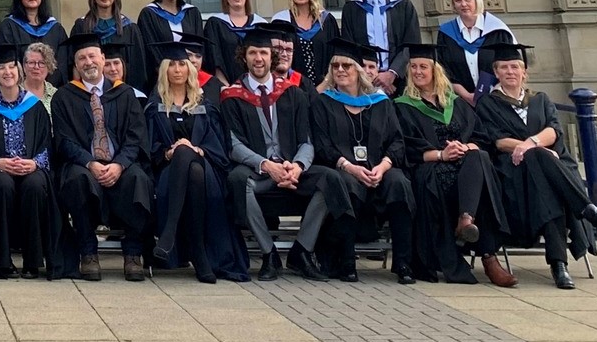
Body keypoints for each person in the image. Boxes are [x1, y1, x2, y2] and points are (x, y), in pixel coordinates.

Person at [475, 42, 597, 289]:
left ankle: (559, 263)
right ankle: (585, 215)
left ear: (524, 72)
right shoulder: (488, 104)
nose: (510, 71)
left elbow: (554, 130)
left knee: (547, 186)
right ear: (496, 72)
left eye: (514, 66)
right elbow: (497, 141)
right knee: (540, 161)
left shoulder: (540, 100)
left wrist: (531, 143)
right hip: (514, 173)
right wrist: (531, 148)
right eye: (503, 67)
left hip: (547, 174)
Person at [220, 26, 348, 282]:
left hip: (292, 170)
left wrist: (298, 166)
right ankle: (269, 254)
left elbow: (307, 140)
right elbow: (233, 145)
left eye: (264, 53)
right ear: (244, 56)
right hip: (260, 173)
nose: (259, 58)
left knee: (331, 179)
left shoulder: (294, 93)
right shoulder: (231, 96)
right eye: (253, 52)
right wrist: (267, 165)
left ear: (272, 57)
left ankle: (302, 250)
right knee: (236, 181)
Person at [396, 44, 516, 287]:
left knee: (479, 158)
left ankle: (467, 221)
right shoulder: (401, 105)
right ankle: (486, 255)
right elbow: (404, 147)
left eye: (423, 67)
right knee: (478, 173)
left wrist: (466, 147)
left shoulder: (456, 103)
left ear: (435, 71)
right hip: (430, 169)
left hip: (465, 167)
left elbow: (481, 138)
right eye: (413, 67)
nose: (417, 72)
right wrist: (442, 154)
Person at [51, 32, 155, 282]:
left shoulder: (125, 93)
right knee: (77, 180)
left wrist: (119, 164)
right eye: (82, 58)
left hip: (120, 162)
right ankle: (88, 253)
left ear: (103, 59)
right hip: (84, 163)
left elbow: (135, 138)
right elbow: (63, 141)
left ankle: (133, 254)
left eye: (92, 56)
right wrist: (90, 162)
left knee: (137, 179)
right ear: (75, 65)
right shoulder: (64, 97)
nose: (88, 62)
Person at [311, 38, 416, 284]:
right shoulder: (324, 102)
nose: (340, 71)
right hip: (344, 168)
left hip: (380, 168)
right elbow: (322, 144)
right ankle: (346, 262)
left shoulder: (380, 103)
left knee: (399, 183)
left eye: (346, 66)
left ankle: (403, 262)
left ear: (358, 71)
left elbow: (397, 141)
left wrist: (383, 166)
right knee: (345, 184)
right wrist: (349, 166)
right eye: (335, 66)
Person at [145, 42, 249, 283]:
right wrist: (168, 154)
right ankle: (200, 256)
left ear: (190, 69)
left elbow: (220, 148)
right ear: (164, 70)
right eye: (172, 65)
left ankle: (169, 233)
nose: (178, 69)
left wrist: (197, 149)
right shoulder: (154, 107)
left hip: (206, 168)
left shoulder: (205, 106)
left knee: (190, 159)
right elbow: (150, 149)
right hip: (170, 174)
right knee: (186, 161)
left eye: (182, 64)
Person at [0, 44, 52, 280]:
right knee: (2, 184)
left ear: (20, 71)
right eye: (1, 68)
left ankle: (33, 261)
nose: (7, 72)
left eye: (12, 67)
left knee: (35, 185)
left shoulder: (34, 107)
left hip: (29, 167)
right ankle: (1, 261)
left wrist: (35, 163)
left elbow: (48, 144)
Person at [337, 0, 421, 96]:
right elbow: (349, 47)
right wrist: (369, 76)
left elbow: (411, 45)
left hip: (400, 83)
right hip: (363, 83)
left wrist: (392, 74)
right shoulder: (351, 9)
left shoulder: (403, 6)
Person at [435, 0, 514, 104]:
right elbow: (443, 69)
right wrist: (466, 95)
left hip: (497, 99)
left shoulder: (497, 30)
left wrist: (493, 92)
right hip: (461, 102)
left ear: (476, 0)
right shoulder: (446, 33)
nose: (463, 4)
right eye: (458, 0)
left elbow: (508, 64)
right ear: (453, 4)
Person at [70, 0, 150, 89]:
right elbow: (73, 63)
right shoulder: (82, 26)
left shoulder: (129, 28)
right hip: (90, 92)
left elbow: (138, 67)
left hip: (123, 92)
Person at [0, 0, 67, 85]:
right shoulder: (8, 27)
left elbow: (62, 64)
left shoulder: (55, 28)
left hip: (52, 91)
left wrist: (47, 87)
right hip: (20, 92)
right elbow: (6, 62)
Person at [271, 0, 339, 85]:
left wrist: (327, 83)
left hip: (326, 86)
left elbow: (335, 53)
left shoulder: (326, 20)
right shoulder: (281, 21)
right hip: (293, 86)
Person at [137, 0, 204, 75]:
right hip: (160, 77)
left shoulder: (192, 13)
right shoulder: (149, 14)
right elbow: (149, 49)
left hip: (190, 75)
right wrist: (167, 71)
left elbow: (198, 48)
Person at [203, 0, 266, 83]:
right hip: (225, 88)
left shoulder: (260, 24)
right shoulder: (216, 24)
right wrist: (227, 88)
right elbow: (214, 59)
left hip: (256, 88)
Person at [180, 34, 224, 103]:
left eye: (198, 56)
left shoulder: (213, 83)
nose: (194, 60)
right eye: (189, 55)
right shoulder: (171, 81)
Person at [22, 42, 58, 112]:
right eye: (31, 62)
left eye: (42, 63)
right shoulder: (14, 93)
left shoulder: (56, 95)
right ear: (24, 66)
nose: (36, 67)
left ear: (49, 67)